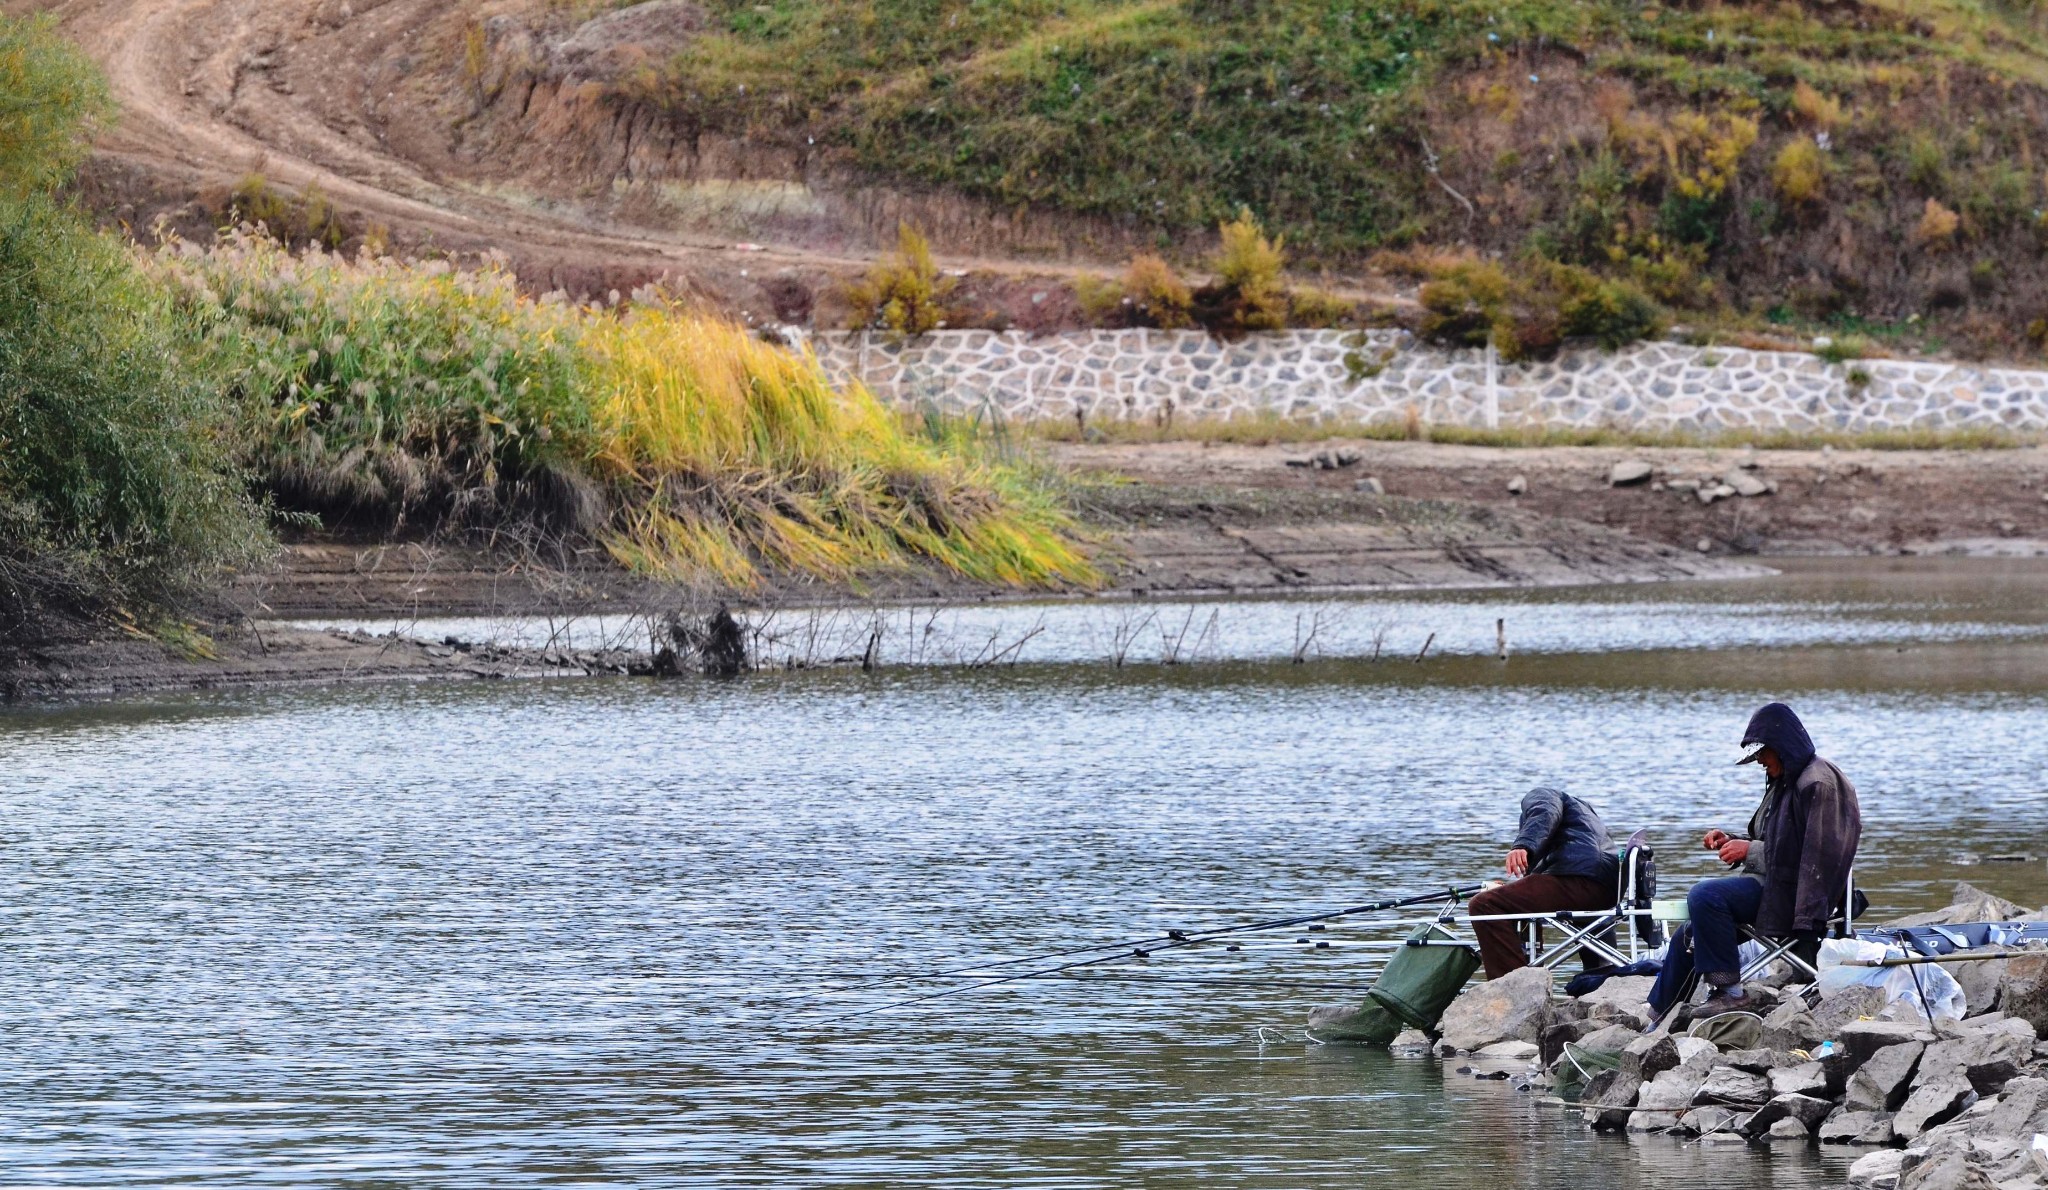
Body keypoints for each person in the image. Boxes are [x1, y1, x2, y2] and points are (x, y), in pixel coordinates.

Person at [1648, 701, 1862, 1021]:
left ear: (1782, 747)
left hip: (1803, 896)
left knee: (1705, 896)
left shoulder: (1818, 783)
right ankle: (1656, 1017)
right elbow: (1780, 842)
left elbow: (1819, 856)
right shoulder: (1788, 781)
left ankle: (1730, 994)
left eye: (1763, 753)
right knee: (1688, 934)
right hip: (1777, 884)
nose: (1760, 761)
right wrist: (1734, 840)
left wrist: (1748, 852)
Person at [1468, 786, 1622, 979]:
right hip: (1606, 890)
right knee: (1509, 902)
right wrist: (1511, 889)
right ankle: (1601, 980)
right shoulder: (1584, 813)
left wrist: (1522, 845)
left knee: (1484, 904)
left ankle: (1511, 986)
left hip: (1578, 879)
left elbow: (1545, 810)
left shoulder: (1543, 794)